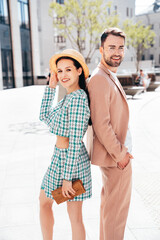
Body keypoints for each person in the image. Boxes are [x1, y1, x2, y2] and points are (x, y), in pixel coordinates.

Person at [39, 49, 92, 240]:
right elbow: (44, 116)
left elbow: (75, 141)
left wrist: (67, 178)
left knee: (74, 216)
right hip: (58, 158)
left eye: (68, 69)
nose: (63, 75)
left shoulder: (78, 99)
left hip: (72, 162)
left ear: (79, 71)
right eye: (59, 71)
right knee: (44, 201)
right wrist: (50, 88)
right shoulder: (68, 97)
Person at [87, 28, 133, 240]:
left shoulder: (107, 75)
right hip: (116, 159)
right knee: (116, 216)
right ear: (101, 49)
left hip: (117, 157)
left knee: (110, 212)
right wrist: (120, 154)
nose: (117, 52)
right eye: (112, 47)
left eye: (121, 47)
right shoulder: (99, 78)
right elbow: (101, 124)